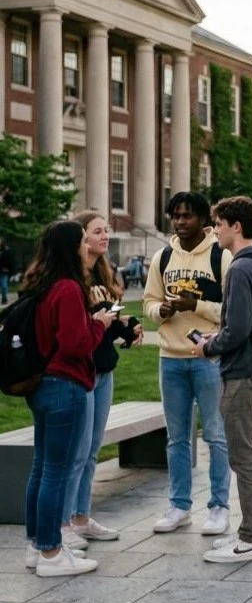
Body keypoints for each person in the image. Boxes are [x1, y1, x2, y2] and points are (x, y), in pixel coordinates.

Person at [22, 220, 117, 576]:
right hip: (66, 385)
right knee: (56, 473)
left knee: (41, 468)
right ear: (69, 248)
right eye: (81, 241)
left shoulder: (41, 285)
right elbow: (76, 344)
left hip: (42, 384)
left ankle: (37, 544)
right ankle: (52, 552)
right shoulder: (68, 288)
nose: (85, 247)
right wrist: (100, 323)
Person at [143, 192, 232, 536]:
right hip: (171, 359)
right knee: (176, 438)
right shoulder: (163, 257)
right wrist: (161, 311)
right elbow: (149, 302)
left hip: (209, 358)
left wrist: (195, 305)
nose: (180, 222)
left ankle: (219, 506)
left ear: (203, 219)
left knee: (215, 435)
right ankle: (179, 506)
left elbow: (232, 311)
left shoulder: (220, 255)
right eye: (176, 216)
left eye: (187, 216)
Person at [194, 196, 252, 563]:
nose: (214, 231)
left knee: (244, 457)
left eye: (219, 224)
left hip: (241, 372)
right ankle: (248, 532)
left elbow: (238, 328)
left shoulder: (240, 267)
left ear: (236, 227)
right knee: (248, 452)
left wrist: (209, 346)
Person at [61, 211, 142, 548]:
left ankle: (82, 517)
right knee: (76, 451)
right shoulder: (70, 278)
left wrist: (128, 328)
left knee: (92, 449)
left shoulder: (104, 273)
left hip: (104, 368)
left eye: (106, 230)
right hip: (81, 372)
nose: (104, 236)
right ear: (81, 238)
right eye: (97, 231)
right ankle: (63, 523)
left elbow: (107, 317)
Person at [0, 235, 13, 304]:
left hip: (3, 271)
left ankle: (4, 298)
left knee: (4, 286)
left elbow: (10, 260)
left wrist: (8, 268)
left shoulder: (6, 250)